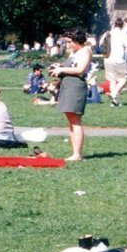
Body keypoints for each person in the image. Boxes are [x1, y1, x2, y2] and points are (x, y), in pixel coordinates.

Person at [49, 28, 93, 161]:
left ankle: (77, 154)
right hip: (68, 86)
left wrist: (62, 69)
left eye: (69, 42)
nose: (67, 45)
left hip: (75, 87)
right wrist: (58, 67)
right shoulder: (75, 52)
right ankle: (75, 153)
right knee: (71, 121)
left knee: (75, 121)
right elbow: (71, 66)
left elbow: (80, 69)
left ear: (77, 40)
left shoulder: (85, 51)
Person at [103, 17, 127, 107]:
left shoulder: (108, 33)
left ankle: (114, 102)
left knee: (112, 80)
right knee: (124, 78)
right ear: (122, 25)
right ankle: (114, 93)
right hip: (119, 59)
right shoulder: (123, 34)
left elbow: (101, 44)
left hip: (108, 59)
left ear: (114, 24)